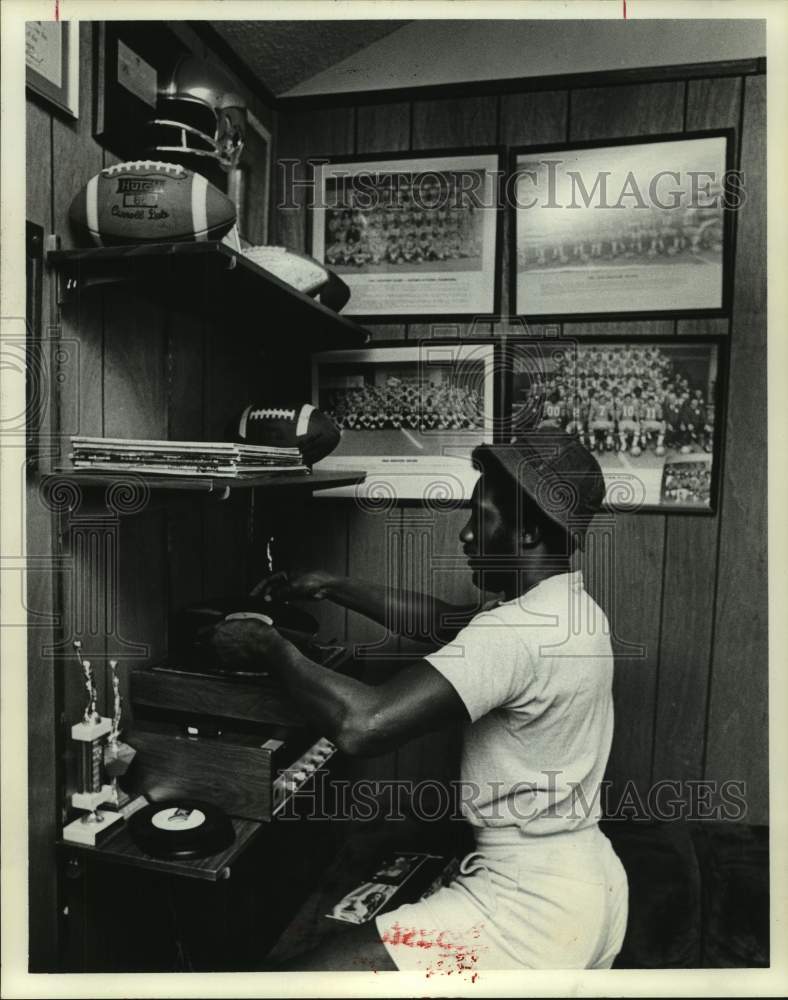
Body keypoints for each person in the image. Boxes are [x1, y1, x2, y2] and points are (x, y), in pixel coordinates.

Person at [208, 432, 628, 971]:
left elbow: (364, 724)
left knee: (298, 980)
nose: (467, 533)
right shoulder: (569, 607)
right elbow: (442, 623)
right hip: (592, 884)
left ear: (526, 531)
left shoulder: (516, 633)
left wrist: (270, 647)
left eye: (483, 516)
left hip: (530, 908)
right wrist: (333, 585)